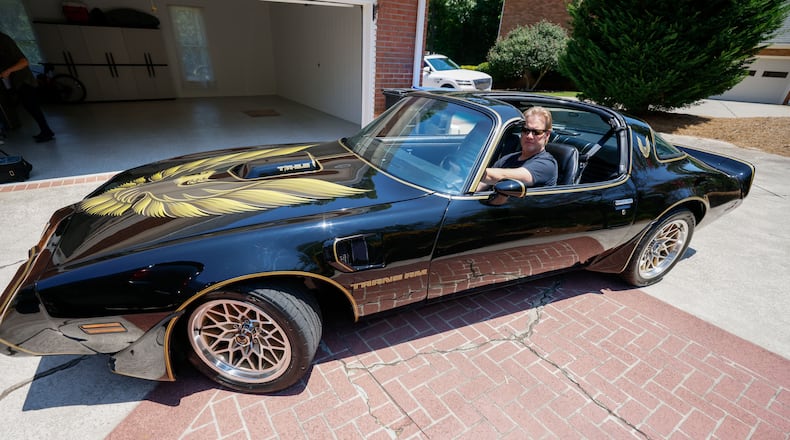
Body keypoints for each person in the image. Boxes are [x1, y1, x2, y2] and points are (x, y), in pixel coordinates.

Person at [477, 106, 557, 191]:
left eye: (536, 132)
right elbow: (481, 184)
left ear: (547, 135)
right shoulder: (507, 159)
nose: (529, 136)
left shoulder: (546, 165)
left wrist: (472, 173)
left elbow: (501, 176)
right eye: (525, 130)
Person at [0, 31, 55, 142]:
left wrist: (8, 71)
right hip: (16, 82)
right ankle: (46, 131)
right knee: (29, 106)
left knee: (32, 107)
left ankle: (46, 132)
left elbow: (24, 62)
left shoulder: (3, 40)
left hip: (24, 81)